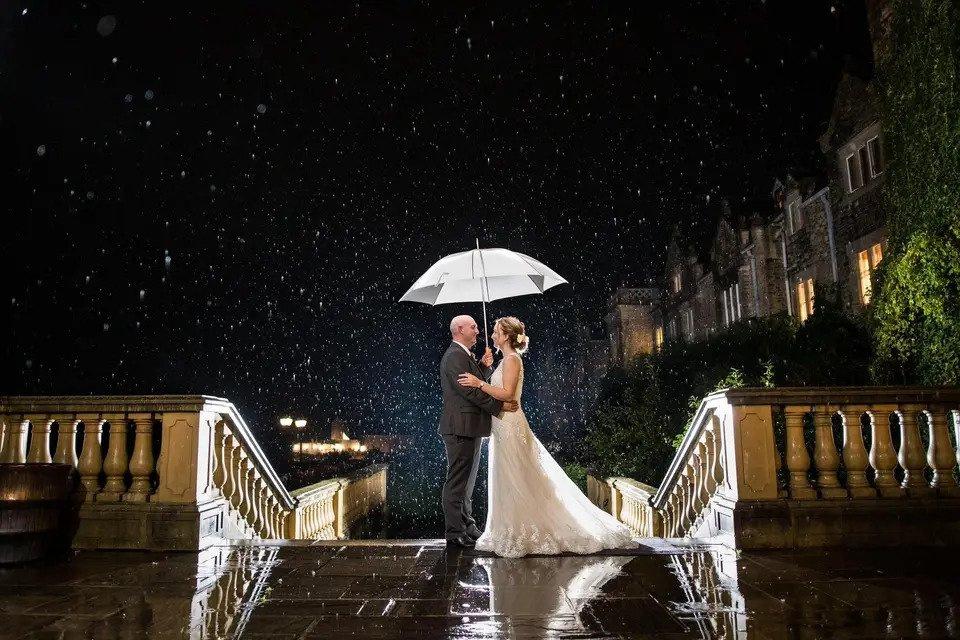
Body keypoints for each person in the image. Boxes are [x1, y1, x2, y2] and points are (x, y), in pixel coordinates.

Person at [458, 316, 635, 557]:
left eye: (496, 332)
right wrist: (485, 367)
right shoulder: (505, 360)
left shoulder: (512, 360)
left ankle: (526, 530)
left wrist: (480, 383)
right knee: (511, 476)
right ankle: (511, 528)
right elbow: (500, 392)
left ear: (507, 336)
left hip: (510, 425)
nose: (492, 336)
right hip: (502, 424)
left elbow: (508, 394)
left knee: (518, 475)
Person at [438, 314, 519, 548]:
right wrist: (499, 406)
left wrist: (484, 367)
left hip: (469, 427)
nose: (477, 331)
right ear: (460, 329)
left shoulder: (464, 356)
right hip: (460, 428)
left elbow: (476, 382)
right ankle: (454, 532)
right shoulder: (455, 356)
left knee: (466, 483)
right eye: (473, 327)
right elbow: (470, 392)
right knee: (457, 482)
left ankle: (468, 525)